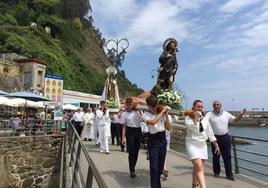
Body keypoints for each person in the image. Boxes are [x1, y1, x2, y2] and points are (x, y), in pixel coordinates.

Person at [206, 101, 246, 181]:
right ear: (213, 106)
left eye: (218, 104)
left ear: (220, 106)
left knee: (227, 157)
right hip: (215, 138)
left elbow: (235, 121)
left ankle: (229, 175)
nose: (216, 106)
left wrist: (241, 114)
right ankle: (216, 172)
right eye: (215, 105)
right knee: (215, 157)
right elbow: (204, 121)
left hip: (225, 138)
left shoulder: (226, 114)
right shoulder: (209, 114)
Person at [184, 100, 220, 188]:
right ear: (194, 107)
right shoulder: (188, 118)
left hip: (202, 145)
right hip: (192, 143)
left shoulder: (205, 119)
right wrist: (196, 116)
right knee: (199, 166)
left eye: (201, 107)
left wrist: (216, 144)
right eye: (198, 106)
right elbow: (192, 126)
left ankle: (194, 184)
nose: (200, 108)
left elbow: (210, 132)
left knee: (198, 167)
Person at [142, 95, 171, 188]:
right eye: (151, 106)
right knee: (154, 167)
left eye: (154, 106)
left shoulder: (161, 113)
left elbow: (168, 128)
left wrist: (166, 115)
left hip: (162, 139)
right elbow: (153, 122)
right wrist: (163, 111)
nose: (153, 108)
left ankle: (157, 185)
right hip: (153, 140)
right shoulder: (145, 114)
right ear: (148, 106)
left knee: (160, 167)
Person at [121, 98, 143, 178]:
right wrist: (123, 138)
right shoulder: (124, 114)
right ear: (126, 105)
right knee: (131, 151)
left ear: (132, 104)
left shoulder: (137, 111)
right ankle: (132, 170)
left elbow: (143, 118)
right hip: (130, 131)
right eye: (128, 105)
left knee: (136, 151)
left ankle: (133, 166)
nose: (130, 106)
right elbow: (124, 126)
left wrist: (139, 110)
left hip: (138, 130)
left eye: (131, 104)